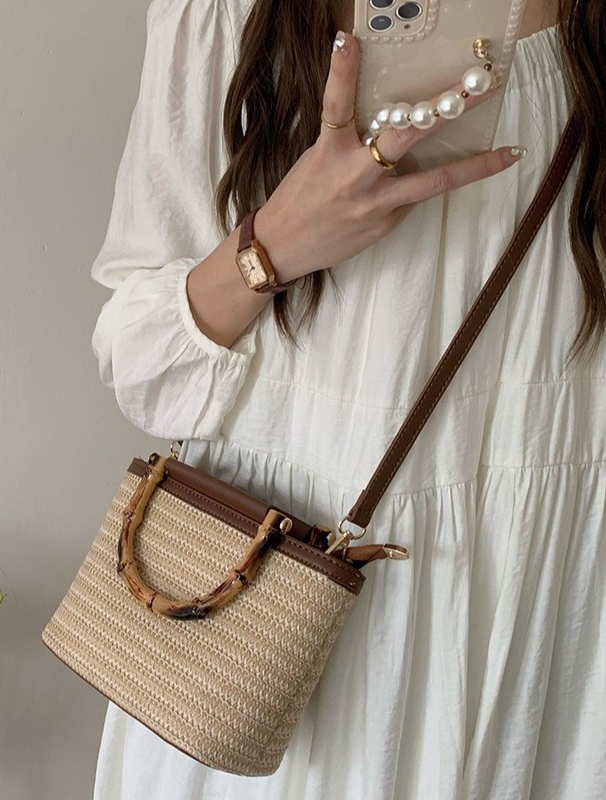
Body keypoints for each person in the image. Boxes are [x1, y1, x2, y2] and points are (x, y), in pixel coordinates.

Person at [87, 0, 605, 795]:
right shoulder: (227, 15)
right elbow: (142, 368)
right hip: (280, 603)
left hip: (550, 586)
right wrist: (272, 247)